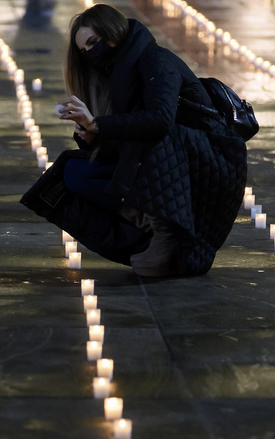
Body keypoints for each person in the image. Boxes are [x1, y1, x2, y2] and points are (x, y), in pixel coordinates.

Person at [26, 4, 247, 278]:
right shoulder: (116, 74)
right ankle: (149, 227)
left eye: (94, 42)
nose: (92, 54)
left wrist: (99, 124)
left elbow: (161, 120)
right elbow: (126, 139)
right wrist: (92, 135)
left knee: (156, 133)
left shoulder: (156, 60)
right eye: (84, 51)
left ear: (113, 31)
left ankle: (167, 230)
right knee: (72, 172)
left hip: (204, 161)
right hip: (164, 163)